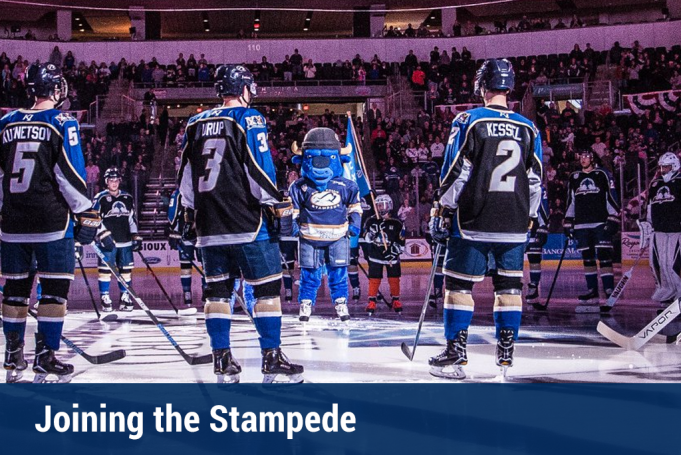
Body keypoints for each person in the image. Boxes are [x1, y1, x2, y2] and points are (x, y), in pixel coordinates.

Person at [178, 64, 303, 383]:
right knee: (267, 290)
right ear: (244, 88)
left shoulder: (194, 122)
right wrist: (274, 203)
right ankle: (271, 357)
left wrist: (188, 213)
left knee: (216, 292)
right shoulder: (249, 118)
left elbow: (186, 179)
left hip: (209, 225)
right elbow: (257, 167)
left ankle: (221, 359)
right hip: (247, 222)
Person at [429, 59, 543, 379]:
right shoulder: (529, 127)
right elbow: (535, 179)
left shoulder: (469, 120)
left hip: (473, 219)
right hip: (515, 221)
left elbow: (457, 170)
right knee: (509, 287)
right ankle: (506, 353)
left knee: (458, 286)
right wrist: (530, 217)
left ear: (482, 85)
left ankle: (456, 353)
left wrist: (442, 208)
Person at [0, 63, 113, 383]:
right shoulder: (61, 121)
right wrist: (89, 216)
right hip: (50, 221)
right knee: (53, 290)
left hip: (12, 222)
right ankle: (46, 355)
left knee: (16, 290)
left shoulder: (5, 122)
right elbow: (70, 175)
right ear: (54, 89)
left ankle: (12, 355)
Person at [289, 128, 362, 322]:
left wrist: (355, 225)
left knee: (338, 273)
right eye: (313, 159)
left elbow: (355, 208)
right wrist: (293, 225)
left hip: (337, 237)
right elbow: (294, 210)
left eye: (328, 159)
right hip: (310, 237)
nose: (320, 166)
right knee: (310, 274)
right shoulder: (298, 187)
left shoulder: (347, 186)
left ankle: (340, 303)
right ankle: (306, 304)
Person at [563, 150, 620, 311]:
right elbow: (571, 200)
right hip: (582, 224)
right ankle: (592, 291)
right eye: (581, 156)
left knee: (604, 256)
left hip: (600, 222)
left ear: (592, 159)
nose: (583, 159)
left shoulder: (602, 174)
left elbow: (611, 195)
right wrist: (568, 220)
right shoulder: (574, 177)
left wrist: (613, 216)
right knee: (587, 258)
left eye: (586, 156)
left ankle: (609, 289)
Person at [92, 167, 142, 312]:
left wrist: (135, 235)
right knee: (105, 270)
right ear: (106, 181)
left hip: (125, 240)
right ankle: (105, 296)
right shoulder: (100, 198)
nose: (114, 183)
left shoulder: (127, 197)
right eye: (111, 180)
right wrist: (102, 234)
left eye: (116, 180)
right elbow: (94, 218)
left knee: (126, 270)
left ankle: (125, 296)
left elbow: (131, 218)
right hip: (107, 241)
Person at [639, 153, 681, 307]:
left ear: (675, 166)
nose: (663, 170)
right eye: (661, 167)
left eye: (666, 167)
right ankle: (668, 291)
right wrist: (647, 224)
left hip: (676, 230)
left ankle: (679, 292)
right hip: (659, 230)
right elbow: (650, 206)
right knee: (660, 263)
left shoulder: (679, 182)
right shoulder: (655, 183)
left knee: (672, 263)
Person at [364, 194, 406, 315]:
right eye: (379, 205)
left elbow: (401, 242)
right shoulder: (371, 220)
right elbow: (366, 239)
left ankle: (396, 300)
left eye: (384, 204)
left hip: (391, 258)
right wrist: (373, 232)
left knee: (394, 278)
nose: (381, 208)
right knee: (374, 278)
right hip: (375, 256)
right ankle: (372, 301)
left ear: (390, 205)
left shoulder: (397, 223)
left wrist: (393, 252)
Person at [167, 187, 204, 306]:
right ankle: (187, 292)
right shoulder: (179, 193)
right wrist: (173, 231)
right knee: (185, 265)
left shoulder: (204, 189)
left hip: (203, 233)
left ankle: (207, 291)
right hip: (185, 233)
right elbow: (172, 213)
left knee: (207, 264)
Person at [525, 189, 550, 305]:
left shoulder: (537, 185)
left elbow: (543, 207)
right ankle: (513, 284)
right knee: (513, 257)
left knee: (534, 258)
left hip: (534, 225)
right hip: (517, 225)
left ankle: (534, 285)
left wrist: (543, 226)